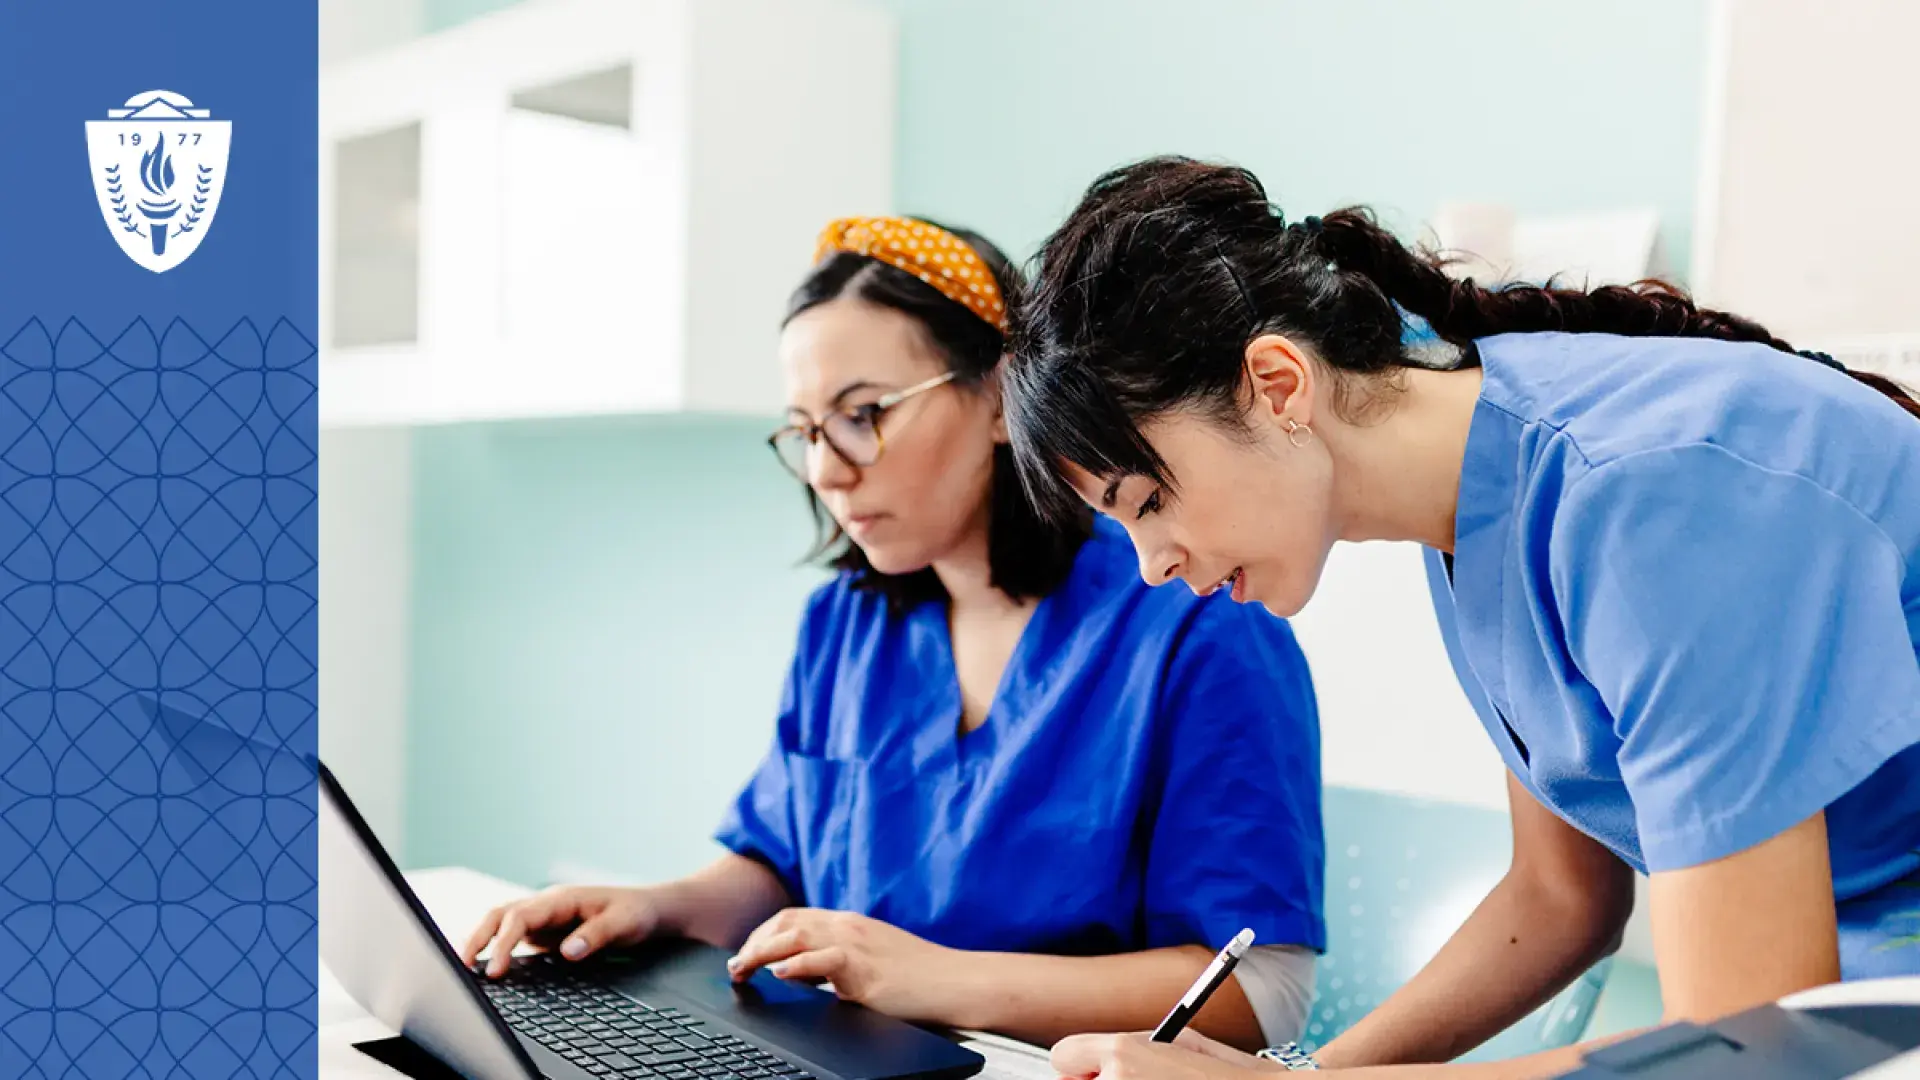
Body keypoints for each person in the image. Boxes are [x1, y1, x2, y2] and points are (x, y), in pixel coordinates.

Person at [999, 157, 1920, 1079]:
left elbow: (1742, 1053)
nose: (1152, 567)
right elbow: (1561, 900)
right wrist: (1303, 1072)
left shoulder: (1647, 500)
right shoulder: (1477, 510)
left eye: (1148, 501)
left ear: (1279, 386)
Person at [460, 215, 1328, 1050]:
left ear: (999, 396)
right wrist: (658, 907)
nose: (828, 472)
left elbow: (1261, 994)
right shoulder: (844, 623)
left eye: (864, 413)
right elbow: (777, 868)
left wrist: (936, 979)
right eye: (805, 432)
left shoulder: (1198, 617)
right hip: (852, 1051)